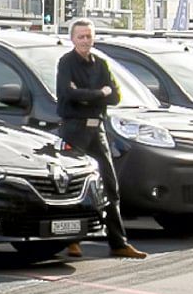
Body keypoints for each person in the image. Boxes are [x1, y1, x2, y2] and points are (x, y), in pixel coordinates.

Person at [52, 20, 146, 259]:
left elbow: (115, 96)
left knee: (109, 185)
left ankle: (118, 242)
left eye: (89, 36)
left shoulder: (101, 63)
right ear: (72, 39)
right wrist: (98, 93)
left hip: (97, 129)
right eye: (81, 36)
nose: (85, 41)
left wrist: (91, 96)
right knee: (71, 184)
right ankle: (72, 240)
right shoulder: (66, 62)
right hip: (74, 129)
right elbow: (67, 94)